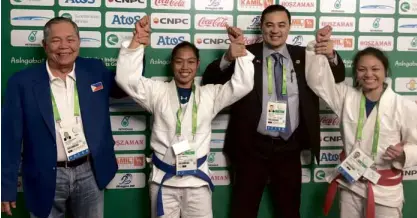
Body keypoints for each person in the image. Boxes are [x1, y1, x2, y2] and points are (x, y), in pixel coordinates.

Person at [202, 4, 346, 218]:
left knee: (289, 211)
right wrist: (228, 58)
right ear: (261, 27)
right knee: (243, 211)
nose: (275, 30)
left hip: (289, 148)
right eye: (269, 25)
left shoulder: (305, 55)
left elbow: (338, 76)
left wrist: (331, 55)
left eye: (281, 25)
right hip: (251, 148)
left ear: (289, 27)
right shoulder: (246, 54)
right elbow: (209, 81)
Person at [115, 16, 254, 218]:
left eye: (190, 62)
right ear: (172, 64)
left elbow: (242, 86)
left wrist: (240, 52)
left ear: (197, 64)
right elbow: (126, 79)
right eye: (179, 62)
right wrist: (137, 42)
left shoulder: (210, 94)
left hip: (197, 182)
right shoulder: (157, 92)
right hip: (164, 179)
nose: (184, 67)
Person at [1, 17, 123, 218]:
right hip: (44, 176)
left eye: (70, 39)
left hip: (89, 172)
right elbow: (9, 140)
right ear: (45, 45)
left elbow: (124, 86)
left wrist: (134, 50)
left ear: (79, 42)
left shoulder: (94, 70)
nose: (64, 46)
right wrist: (5, 187)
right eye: (56, 40)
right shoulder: (21, 83)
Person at [305, 41, 417, 218]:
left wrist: (404, 154)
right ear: (356, 73)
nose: (369, 74)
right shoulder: (345, 96)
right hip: (351, 183)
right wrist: (318, 51)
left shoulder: (404, 106)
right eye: (362, 69)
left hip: (385, 190)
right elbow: (318, 81)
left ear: (385, 71)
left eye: (375, 69)